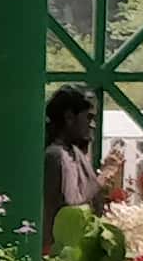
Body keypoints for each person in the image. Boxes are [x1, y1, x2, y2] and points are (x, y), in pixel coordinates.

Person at [44, 88, 104, 228]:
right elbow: (73, 207)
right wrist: (104, 176)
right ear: (69, 117)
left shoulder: (73, 152)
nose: (92, 125)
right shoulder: (56, 156)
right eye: (88, 117)